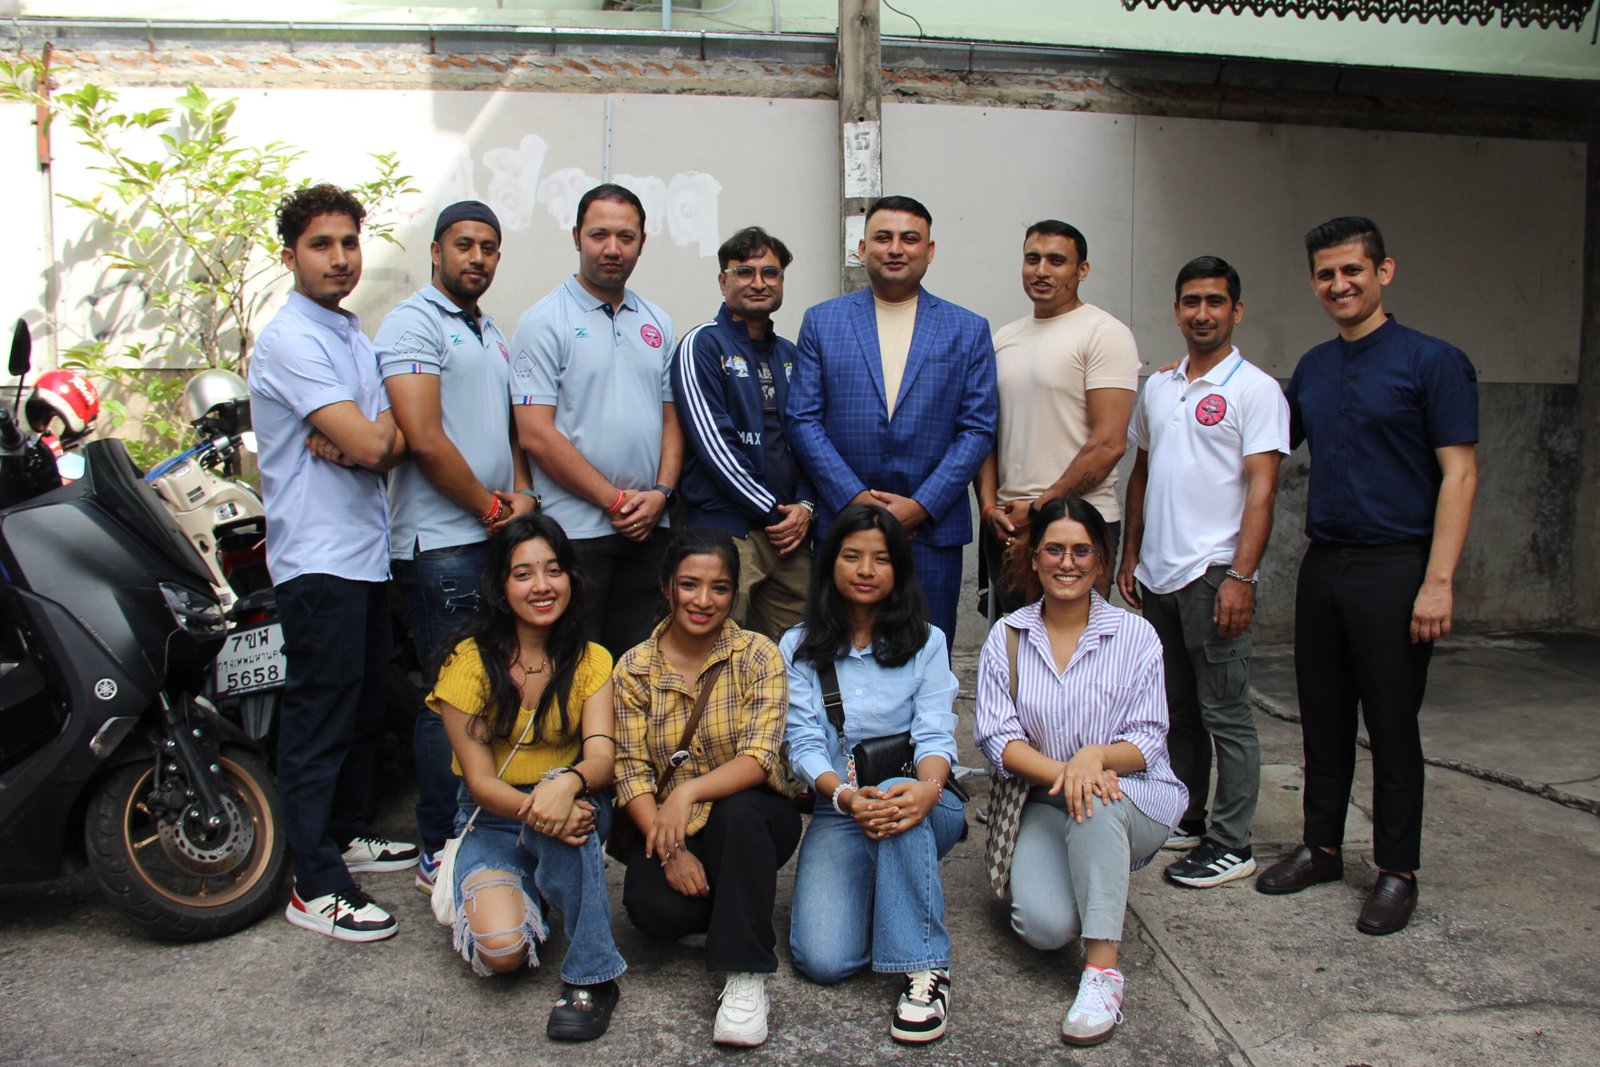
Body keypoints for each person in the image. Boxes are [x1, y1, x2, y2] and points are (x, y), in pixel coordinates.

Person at [1257, 216, 1478, 937]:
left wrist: (1438, 580)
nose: (1339, 284)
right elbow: (1264, 444)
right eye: (1326, 274)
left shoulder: (1433, 362)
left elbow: (1460, 473)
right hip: (1325, 562)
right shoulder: (1315, 367)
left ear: (1384, 271)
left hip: (1396, 564)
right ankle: (1321, 846)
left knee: (1390, 723)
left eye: (1352, 270)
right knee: (1322, 715)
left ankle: (1396, 869)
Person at [248, 184, 415, 942]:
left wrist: (364, 440)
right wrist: (371, 439)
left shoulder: (349, 332)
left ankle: (345, 832)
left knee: (362, 709)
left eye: (349, 242)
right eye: (321, 245)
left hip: (365, 554)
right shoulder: (291, 339)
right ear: (290, 256)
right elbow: (383, 441)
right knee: (319, 720)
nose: (340, 258)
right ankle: (313, 882)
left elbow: (395, 438)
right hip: (318, 560)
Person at [973, 496, 1187, 1047]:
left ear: (1100, 559)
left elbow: (1148, 738)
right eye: (1054, 550)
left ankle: (1102, 975)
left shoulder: (1136, 636)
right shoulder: (1009, 636)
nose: (1067, 563)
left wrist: (1097, 759)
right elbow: (998, 739)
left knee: (1097, 802)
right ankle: (1097, 877)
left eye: (1081, 551)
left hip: (1133, 794)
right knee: (1045, 929)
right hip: (1046, 799)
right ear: (1034, 558)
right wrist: (1072, 772)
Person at [377, 200, 538, 894]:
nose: (477, 257)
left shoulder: (488, 329)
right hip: (442, 543)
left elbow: (508, 428)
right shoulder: (412, 322)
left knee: (489, 687)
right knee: (450, 697)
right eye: (464, 244)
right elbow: (423, 436)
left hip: (490, 537)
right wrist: (490, 507)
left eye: (489, 247)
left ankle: (477, 827)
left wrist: (522, 497)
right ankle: (438, 844)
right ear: (436, 251)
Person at [1117, 256, 1289, 889]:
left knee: (1227, 714)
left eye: (1215, 301)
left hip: (1214, 575)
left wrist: (1242, 577)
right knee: (1178, 710)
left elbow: (1263, 490)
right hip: (1159, 576)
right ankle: (1187, 818)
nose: (1203, 313)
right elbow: (1142, 472)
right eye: (1191, 301)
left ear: (1236, 310)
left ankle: (1232, 842)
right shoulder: (1161, 386)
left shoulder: (1256, 390)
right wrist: (1130, 554)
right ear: (1176, 309)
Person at [426, 513, 626, 1041]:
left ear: (570, 579)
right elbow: (479, 782)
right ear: (500, 586)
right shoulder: (467, 663)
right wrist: (541, 808)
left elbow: (601, 757)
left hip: (574, 802)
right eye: (524, 574)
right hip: (494, 819)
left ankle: (593, 977)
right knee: (503, 952)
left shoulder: (591, 660)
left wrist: (566, 786)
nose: (542, 585)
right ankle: (535, 892)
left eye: (553, 570)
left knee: (570, 819)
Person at [783, 503, 966, 1044]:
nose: (866, 570)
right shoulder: (798, 645)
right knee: (824, 961)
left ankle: (926, 969)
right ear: (830, 563)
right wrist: (844, 796)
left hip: (925, 803)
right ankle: (892, 892)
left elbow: (936, 734)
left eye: (881, 559)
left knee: (894, 793)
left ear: (899, 569)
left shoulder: (927, 642)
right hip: (841, 807)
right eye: (852, 556)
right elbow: (802, 743)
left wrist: (927, 790)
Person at [612, 527, 801, 1048]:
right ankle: (735, 902)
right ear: (666, 586)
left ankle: (746, 973)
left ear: (734, 591)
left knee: (739, 813)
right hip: (675, 831)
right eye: (689, 584)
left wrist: (686, 793)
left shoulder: (758, 654)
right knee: (653, 911)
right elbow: (630, 773)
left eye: (719, 588)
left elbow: (759, 757)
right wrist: (671, 852)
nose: (703, 600)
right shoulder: (634, 668)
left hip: (755, 816)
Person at [787, 195, 997, 649]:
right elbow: (803, 419)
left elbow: (977, 428)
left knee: (925, 654)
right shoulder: (823, 322)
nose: (896, 248)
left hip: (931, 532)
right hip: (843, 528)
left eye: (910, 238)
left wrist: (920, 505)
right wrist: (856, 500)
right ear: (862, 249)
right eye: (883, 237)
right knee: (836, 652)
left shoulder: (968, 328)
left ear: (930, 250)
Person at [512, 182, 681, 658]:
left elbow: (672, 419)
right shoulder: (544, 321)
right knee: (574, 667)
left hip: (648, 529)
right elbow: (534, 434)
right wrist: (616, 501)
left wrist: (661, 494)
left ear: (642, 243)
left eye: (626, 237)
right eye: (599, 235)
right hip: (575, 534)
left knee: (637, 669)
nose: (612, 249)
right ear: (576, 237)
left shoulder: (657, 321)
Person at [976, 220, 1138, 610]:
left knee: (1076, 642)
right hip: (1010, 525)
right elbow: (985, 434)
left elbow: (1109, 443)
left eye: (1056, 261)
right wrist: (989, 507)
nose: (1042, 270)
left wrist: (1040, 508)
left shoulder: (1104, 333)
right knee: (1015, 639)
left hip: (1080, 522)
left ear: (1083, 270)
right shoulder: (1004, 338)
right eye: (1032, 259)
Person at [671, 226, 815, 640]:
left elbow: (808, 437)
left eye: (770, 273)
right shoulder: (702, 345)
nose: (758, 282)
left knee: (796, 653)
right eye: (745, 272)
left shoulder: (792, 354)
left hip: (788, 536)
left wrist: (806, 505)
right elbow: (715, 446)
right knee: (717, 651)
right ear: (723, 281)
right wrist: (776, 512)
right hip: (727, 532)